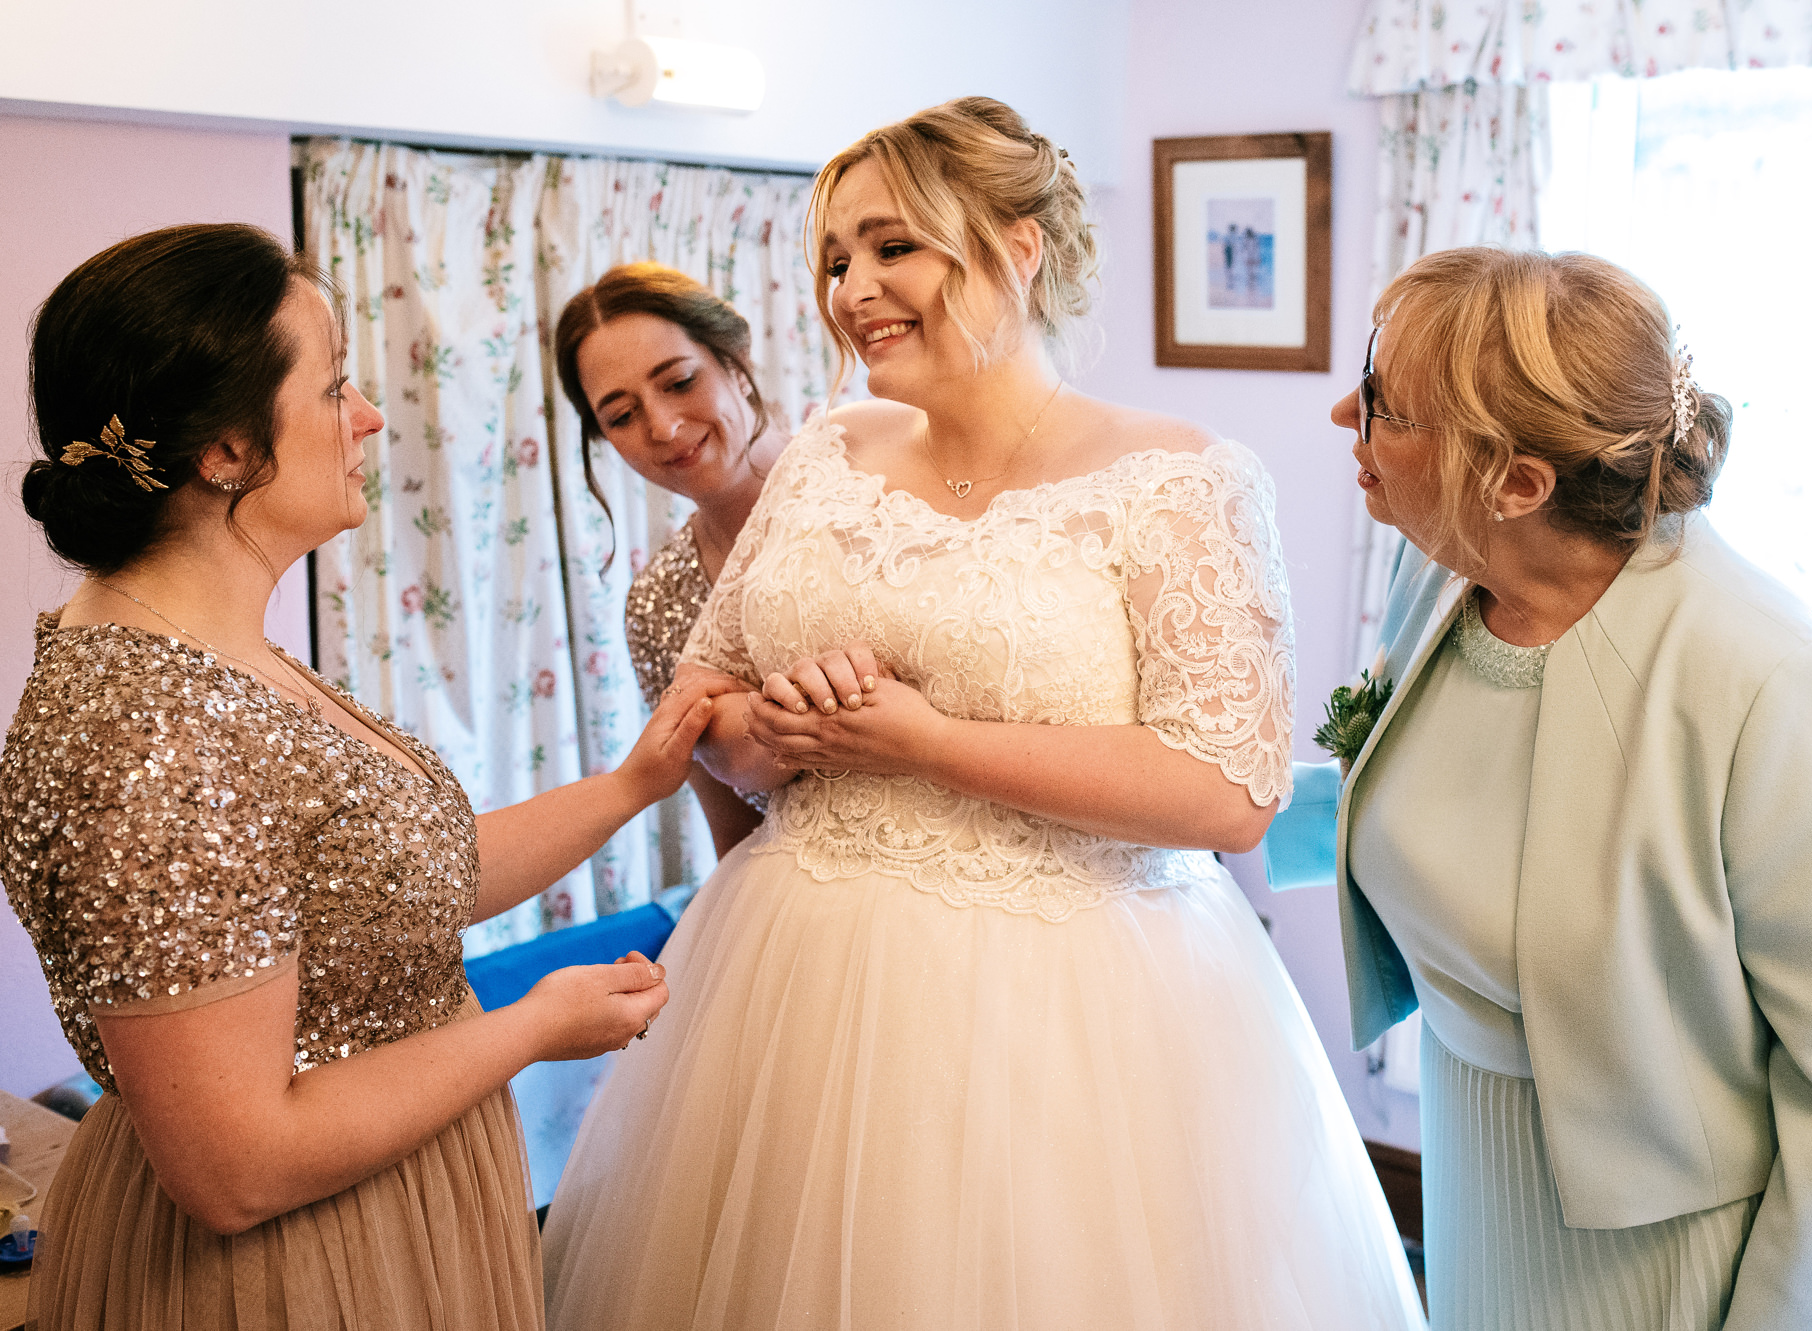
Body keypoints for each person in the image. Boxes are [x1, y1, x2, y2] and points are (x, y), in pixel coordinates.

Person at [542, 98, 1426, 1330]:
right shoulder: (821, 453)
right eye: (836, 259)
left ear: (1019, 246)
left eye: (892, 246)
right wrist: (781, 726)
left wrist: (927, 742)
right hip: (796, 975)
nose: (853, 289)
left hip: (1076, 989)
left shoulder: (1179, 478)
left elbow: (1228, 792)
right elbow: (715, 710)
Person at [0, 223, 738, 1330]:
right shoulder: (149, 728)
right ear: (226, 451)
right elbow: (236, 1163)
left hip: (393, 1197)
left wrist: (637, 779)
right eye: (334, 386)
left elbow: (385, 889)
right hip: (294, 1262)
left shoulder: (210, 651)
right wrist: (531, 1022)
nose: (368, 418)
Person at [1292, 245, 1812, 1329]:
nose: (1341, 411)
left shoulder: (1769, 684)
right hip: (1471, 1184)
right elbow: (1445, 815)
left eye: (1385, 405)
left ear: (1516, 480)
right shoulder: (1442, 570)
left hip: (1667, 1263)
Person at [554, 263, 788, 859]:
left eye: (680, 381)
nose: (663, 427)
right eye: (622, 416)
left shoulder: (878, 482)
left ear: (734, 362)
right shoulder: (657, 604)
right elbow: (736, 838)